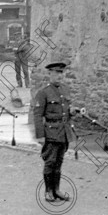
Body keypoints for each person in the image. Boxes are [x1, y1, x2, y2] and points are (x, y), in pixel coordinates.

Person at [32, 62, 81, 202]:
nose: (59, 76)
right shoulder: (43, 92)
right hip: (51, 133)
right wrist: (40, 136)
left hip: (64, 132)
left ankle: (57, 190)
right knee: (50, 162)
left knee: (59, 162)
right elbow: (37, 115)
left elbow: (66, 110)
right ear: (50, 74)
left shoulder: (65, 90)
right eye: (56, 73)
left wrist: (72, 111)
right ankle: (48, 191)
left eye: (61, 73)